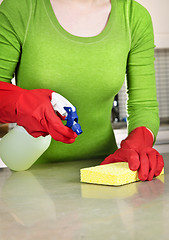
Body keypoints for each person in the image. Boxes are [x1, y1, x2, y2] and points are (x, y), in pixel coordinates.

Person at [0, 0, 164, 181]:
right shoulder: (21, 8)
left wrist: (139, 140)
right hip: (31, 179)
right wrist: (21, 101)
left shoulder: (133, 17)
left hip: (104, 174)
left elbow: (144, 105)